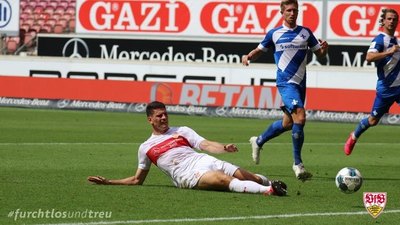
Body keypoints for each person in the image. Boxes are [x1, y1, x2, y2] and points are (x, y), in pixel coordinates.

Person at [88, 101, 287, 196]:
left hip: (203, 160)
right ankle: (268, 190)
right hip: (187, 175)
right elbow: (137, 180)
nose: (164, 118)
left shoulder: (181, 130)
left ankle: (268, 181)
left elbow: (206, 144)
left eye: (165, 114)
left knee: (245, 175)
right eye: (159, 116)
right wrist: (109, 182)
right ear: (150, 120)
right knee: (223, 179)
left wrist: (224, 147)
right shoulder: (145, 148)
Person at [241, 0, 328, 181]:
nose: (292, 13)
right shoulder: (274, 33)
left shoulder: (306, 33)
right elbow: (259, 50)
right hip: (285, 83)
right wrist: (249, 56)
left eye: (295, 10)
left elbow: (320, 54)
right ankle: (298, 164)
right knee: (301, 117)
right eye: (288, 10)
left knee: (288, 123)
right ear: (282, 12)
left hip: (300, 84)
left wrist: (324, 50)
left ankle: (258, 141)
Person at [344, 8, 400, 155]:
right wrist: (389, 52)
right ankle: (354, 136)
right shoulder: (380, 39)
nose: (392, 21)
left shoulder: (396, 41)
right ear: (383, 21)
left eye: (395, 19)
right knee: (373, 120)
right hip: (386, 89)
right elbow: (369, 57)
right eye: (389, 18)